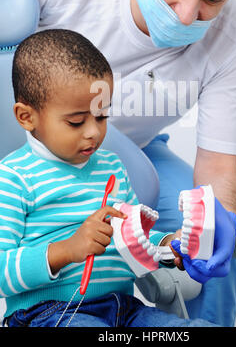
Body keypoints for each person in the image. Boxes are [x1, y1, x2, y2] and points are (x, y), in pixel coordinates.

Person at [17, 0, 236, 326]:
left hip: (138, 153)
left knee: (211, 249)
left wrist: (221, 219)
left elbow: (220, 167)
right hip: (33, 146)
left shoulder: (235, 38)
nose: (187, 14)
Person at [0, 28, 221, 328]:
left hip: (125, 311)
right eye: (76, 121)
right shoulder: (13, 178)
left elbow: (132, 239)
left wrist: (169, 244)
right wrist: (66, 250)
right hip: (49, 315)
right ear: (27, 117)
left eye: (102, 116)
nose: (93, 131)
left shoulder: (112, 167)